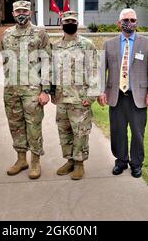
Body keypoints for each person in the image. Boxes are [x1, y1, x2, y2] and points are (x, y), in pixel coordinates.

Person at [98, 8, 148, 178]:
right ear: (119, 23)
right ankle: (121, 161)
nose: (129, 23)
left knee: (138, 133)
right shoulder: (108, 44)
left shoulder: (147, 43)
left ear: (137, 23)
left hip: (138, 97)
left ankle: (136, 163)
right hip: (116, 96)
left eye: (133, 20)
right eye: (126, 20)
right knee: (118, 131)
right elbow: (101, 70)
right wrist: (100, 91)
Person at [1, 0, 51, 179]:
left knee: (33, 126)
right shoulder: (7, 34)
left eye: (24, 10)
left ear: (30, 12)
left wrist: (46, 90)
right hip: (12, 88)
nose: (21, 13)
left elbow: (47, 61)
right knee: (15, 125)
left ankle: (35, 162)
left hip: (32, 89)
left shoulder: (40, 33)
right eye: (18, 11)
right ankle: (21, 159)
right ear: (13, 13)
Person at [51, 11, 98, 180]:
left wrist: (91, 96)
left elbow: (94, 71)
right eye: (66, 21)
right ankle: (70, 160)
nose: (69, 23)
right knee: (64, 131)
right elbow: (52, 72)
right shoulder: (55, 46)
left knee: (80, 132)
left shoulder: (87, 45)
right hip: (61, 98)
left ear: (77, 24)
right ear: (61, 24)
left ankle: (79, 163)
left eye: (73, 21)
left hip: (80, 98)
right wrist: (50, 92)